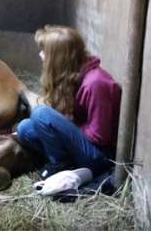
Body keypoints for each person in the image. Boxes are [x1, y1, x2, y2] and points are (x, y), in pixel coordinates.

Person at [17, 25, 121, 182]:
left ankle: (61, 166)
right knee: (24, 128)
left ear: (57, 57)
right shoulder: (73, 74)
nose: (40, 55)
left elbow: (100, 137)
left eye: (45, 51)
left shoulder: (95, 84)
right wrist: (64, 125)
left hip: (99, 155)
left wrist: (65, 124)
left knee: (41, 114)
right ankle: (67, 163)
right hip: (82, 144)